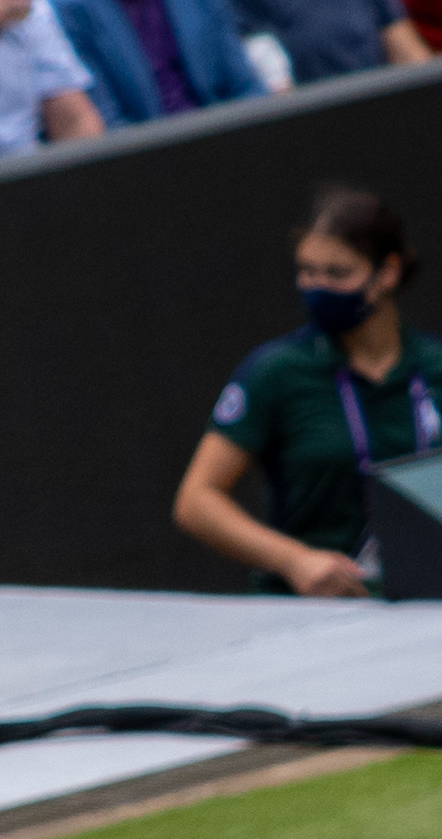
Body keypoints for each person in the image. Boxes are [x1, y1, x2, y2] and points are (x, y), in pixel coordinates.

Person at [182, 189, 438, 594]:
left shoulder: (433, 365)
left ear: (387, 273)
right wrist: (293, 559)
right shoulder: (277, 372)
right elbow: (197, 500)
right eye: (307, 272)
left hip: (420, 606)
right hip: (309, 618)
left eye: (337, 274)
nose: (317, 287)